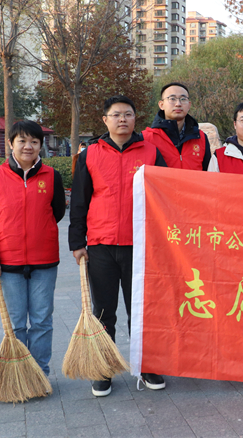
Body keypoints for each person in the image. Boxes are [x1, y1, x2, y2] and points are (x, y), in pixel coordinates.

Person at [69, 95, 167, 397]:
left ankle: (148, 365)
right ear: (105, 120)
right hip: (101, 246)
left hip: (141, 246)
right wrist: (77, 242)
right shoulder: (90, 154)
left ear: (136, 119)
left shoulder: (151, 152)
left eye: (127, 114)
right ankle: (104, 369)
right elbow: (80, 201)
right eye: (116, 115)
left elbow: (165, 196)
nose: (122, 119)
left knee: (141, 311)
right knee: (103, 312)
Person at [0, 120, 66, 376]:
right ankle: (20, 376)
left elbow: (57, 212)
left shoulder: (51, 176)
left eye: (34, 142)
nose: (28, 146)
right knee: (15, 324)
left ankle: (40, 375)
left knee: (42, 321)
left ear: (40, 145)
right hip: (8, 263)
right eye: (22, 141)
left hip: (44, 261)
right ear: (11, 143)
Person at [142, 82, 212, 171]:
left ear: (189, 105)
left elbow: (208, 173)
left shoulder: (201, 138)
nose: (178, 104)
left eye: (183, 99)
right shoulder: (146, 138)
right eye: (172, 99)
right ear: (161, 105)